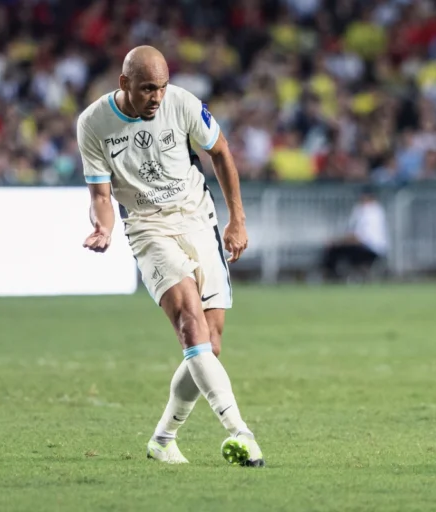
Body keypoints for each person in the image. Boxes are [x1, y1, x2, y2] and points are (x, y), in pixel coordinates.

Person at [76, 46, 264, 467]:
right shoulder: (93, 123)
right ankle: (241, 432)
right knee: (190, 325)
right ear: (124, 83)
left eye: (162, 87)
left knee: (210, 344)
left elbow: (221, 151)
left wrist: (237, 219)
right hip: (148, 227)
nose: (157, 97)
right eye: (147, 89)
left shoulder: (182, 103)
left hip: (198, 219)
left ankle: (163, 439)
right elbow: (101, 195)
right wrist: (104, 227)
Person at [322, 186, 389, 281]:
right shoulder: (363, 209)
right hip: (367, 246)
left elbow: (359, 237)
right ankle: (337, 275)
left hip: (371, 248)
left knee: (335, 250)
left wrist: (336, 241)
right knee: (337, 249)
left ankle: (331, 277)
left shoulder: (372, 211)